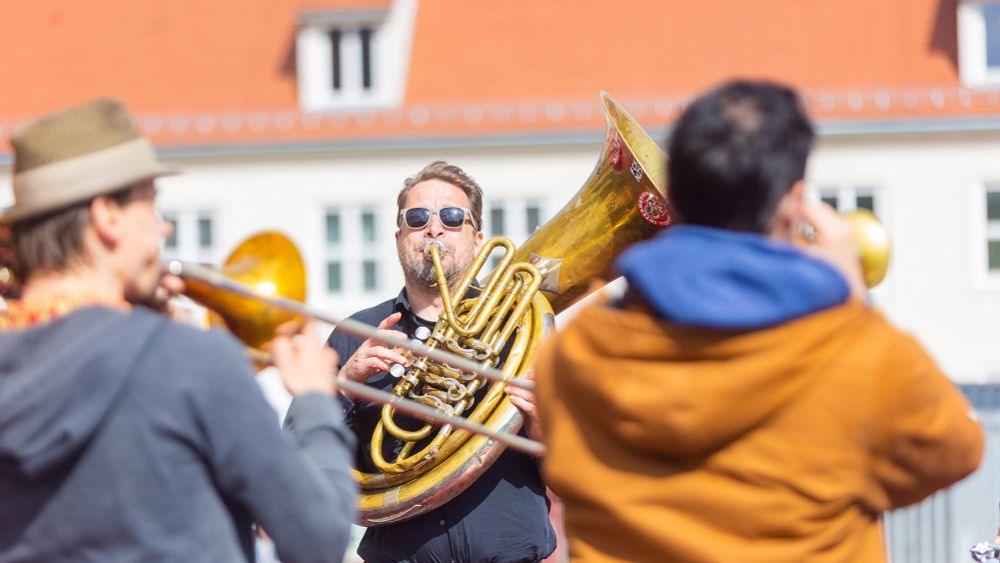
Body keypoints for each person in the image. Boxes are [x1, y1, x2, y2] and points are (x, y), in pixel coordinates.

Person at [533, 80, 985, 562]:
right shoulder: (855, 353)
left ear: (674, 199)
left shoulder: (575, 354)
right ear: (794, 202)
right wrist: (850, 295)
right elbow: (956, 449)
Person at [0, 99, 356, 563]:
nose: (162, 226)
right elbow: (318, 537)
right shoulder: (190, 361)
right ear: (107, 217)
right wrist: (314, 402)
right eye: (151, 205)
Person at [327, 160, 557, 562]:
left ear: (477, 237)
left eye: (452, 217)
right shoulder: (356, 333)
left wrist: (542, 431)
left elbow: (580, 469)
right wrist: (342, 389)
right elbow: (300, 459)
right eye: (416, 218)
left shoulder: (525, 329)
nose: (434, 228)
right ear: (399, 237)